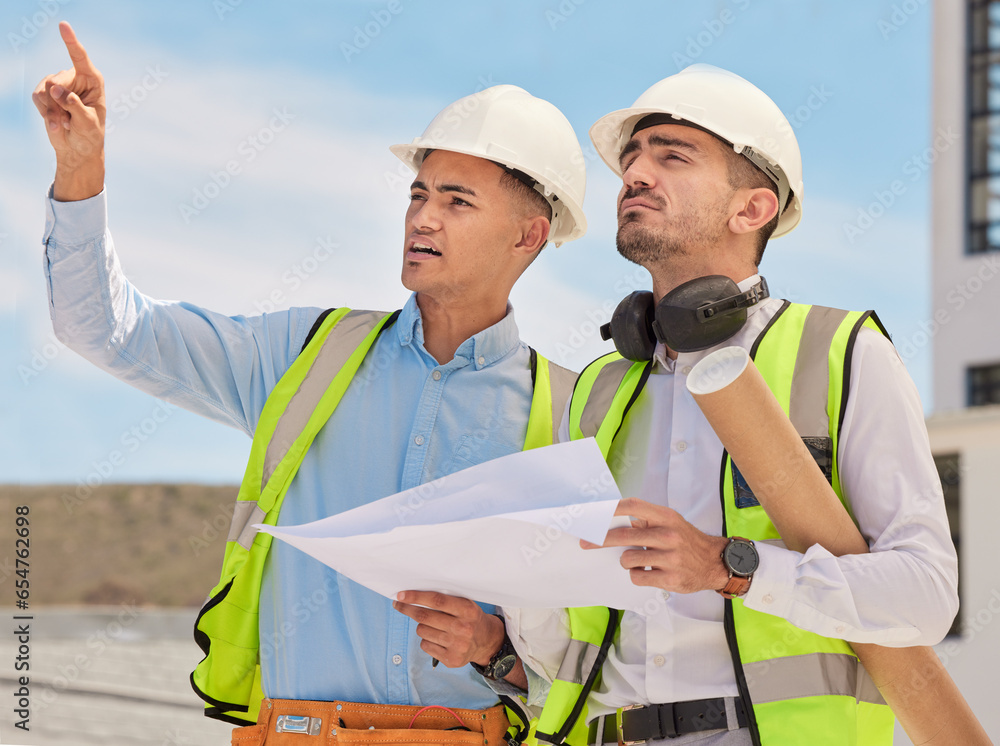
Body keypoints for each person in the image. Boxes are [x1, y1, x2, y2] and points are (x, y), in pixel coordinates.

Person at [33, 21, 587, 744]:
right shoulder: (303, 356)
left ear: (528, 236)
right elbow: (104, 329)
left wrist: (497, 651)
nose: (422, 217)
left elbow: (604, 652)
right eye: (418, 195)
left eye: (457, 201)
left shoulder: (574, 412)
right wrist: (81, 174)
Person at [471, 65, 961, 745]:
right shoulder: (599, 389)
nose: (636, 174)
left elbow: (924, 596)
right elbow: (573, 652)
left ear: (752, 209)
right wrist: (496, 646)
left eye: (672, 156)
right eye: (632, 159)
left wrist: (730, 568)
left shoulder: (841, 353)